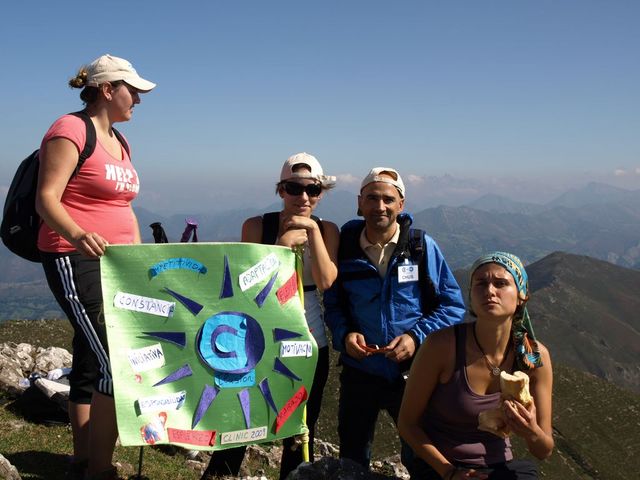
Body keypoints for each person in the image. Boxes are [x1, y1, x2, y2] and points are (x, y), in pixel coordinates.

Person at [35, 54, 155, 480]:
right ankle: (101, 470)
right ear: (108, 90)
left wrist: (140, 258)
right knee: (117, 362)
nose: (138, 99)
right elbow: (46, 197)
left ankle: (84, 457)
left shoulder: (121, 143)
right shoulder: (70, 130)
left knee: (91, 357)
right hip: (74, 258)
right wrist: (79, 235)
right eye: (133, 91)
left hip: (119, 264)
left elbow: (123, 206)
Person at [201, 152, 339, 480]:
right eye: (294, 188)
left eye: (313, 189)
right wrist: (280, 245)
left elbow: (326, 281)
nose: (303, 197)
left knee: (301, 422)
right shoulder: (257, 226)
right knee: (241, 413)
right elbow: (248, 286)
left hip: (309, 341)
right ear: (281, 190)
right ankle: (221, 474)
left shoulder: (328, 230)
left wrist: (313, 233)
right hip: (256, 339)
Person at [323, 167, 466, 475]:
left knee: (420, 455)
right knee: (352, 455)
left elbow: (453, 306)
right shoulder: (345, 248)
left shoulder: (420, 248)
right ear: (359, 203)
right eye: (372, 198)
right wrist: (346, 335)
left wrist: (415, 338)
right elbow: (332, 304)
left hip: (413, 373)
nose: (380, 207)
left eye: (388, 199)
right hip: (360, 370)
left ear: (402, 204)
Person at [398, 252, 554, 479]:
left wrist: (531, 432)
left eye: (501, 283)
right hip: (441, 467)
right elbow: (407, 424)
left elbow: (544, 450)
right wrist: (449, 472)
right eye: (480, 283)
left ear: (522, 295)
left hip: (499, 466)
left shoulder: (533, 357)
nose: (490, 291)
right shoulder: (441, 346)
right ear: (471, 295)